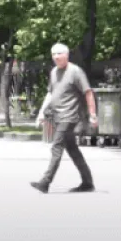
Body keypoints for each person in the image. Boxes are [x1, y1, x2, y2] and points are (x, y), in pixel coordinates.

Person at [33, 43, 97, 193]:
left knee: (56, 147)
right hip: (57, 116)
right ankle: (88, 182)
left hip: (69, 116)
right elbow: (50, 93)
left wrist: (92, 115)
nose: (56, 57)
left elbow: (88, 92)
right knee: (72, 149)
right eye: (53, 54)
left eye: (59, 53)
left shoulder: (75, 71)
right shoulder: (54, 72)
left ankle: (45, 182)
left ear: (67, 55)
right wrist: (41, 112)